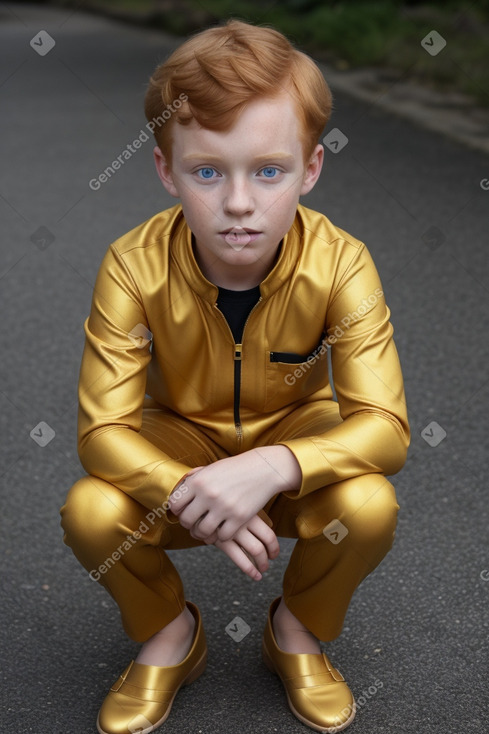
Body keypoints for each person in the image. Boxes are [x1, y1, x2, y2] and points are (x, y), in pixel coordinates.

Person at [60, 18, 410, 734]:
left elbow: (386, 430)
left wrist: (273, 466)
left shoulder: (342, 262)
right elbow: (101, 433)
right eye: (208, 170)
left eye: (269, 170)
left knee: (369, 505)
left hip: (295, 445)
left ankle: (296, 630)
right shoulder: (132, 263)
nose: (240, 203)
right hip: (178, 442)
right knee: (91, 511)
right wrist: (189, 489)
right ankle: (169, 634)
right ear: (166, 170)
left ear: (310, 169)